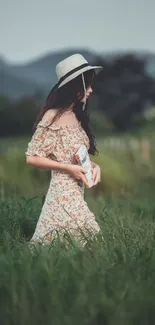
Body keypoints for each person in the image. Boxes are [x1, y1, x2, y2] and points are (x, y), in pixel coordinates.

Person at [25, 53, 103, 246]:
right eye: (88, 85)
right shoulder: (52, 117)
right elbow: (32, 158)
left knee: (77, 244)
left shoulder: (78, 116)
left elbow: (76, 156)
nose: (91, 90)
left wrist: (94, 166)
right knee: (88, 240)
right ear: (75, 87)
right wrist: (69, 169)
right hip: (61, 192)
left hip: (77, 190)